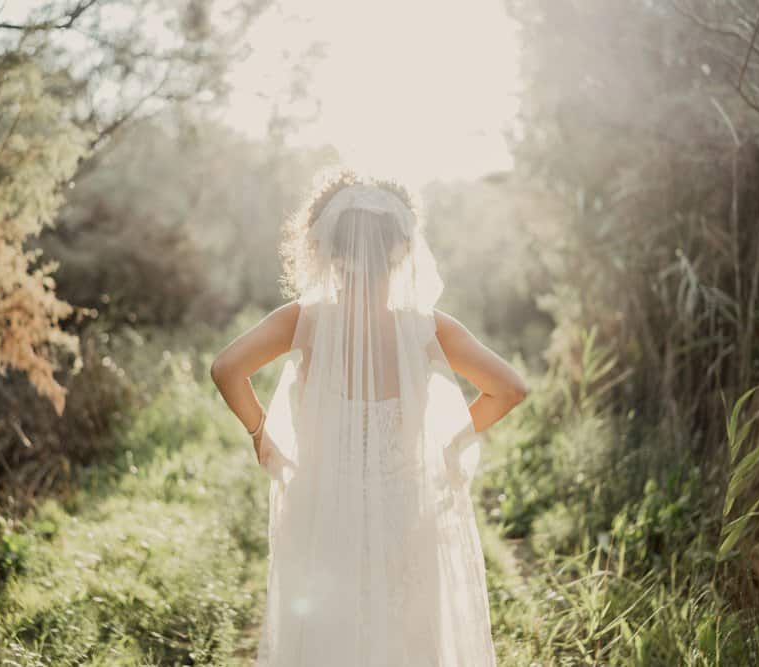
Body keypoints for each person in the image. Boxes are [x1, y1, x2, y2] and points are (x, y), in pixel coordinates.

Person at [210, 170, 527, 666]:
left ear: (328, 248)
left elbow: (226, 369)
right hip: (405, 509)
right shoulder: (427, 328)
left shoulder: (303, 321)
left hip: (323, 506)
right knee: (403, 636)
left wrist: (259, 432)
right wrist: (453, 441)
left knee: (328, 633)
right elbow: (510, 388)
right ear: (402, 249)